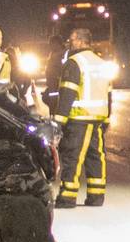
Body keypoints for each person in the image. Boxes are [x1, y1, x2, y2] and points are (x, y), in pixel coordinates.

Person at [53, 28, 113, 208]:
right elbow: (109, 94)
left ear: (81, 41)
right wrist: (107, 119)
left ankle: (67, 197)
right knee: (96, 157)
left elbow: (67, 94)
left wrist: (58, 122)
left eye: (72, 40)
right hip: (98, 120)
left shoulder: (74, 63)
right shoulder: (101, 63)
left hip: (79, 119)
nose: (69, 43)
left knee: (73, 157)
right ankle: (96, 196)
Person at [42, 35, 67, 115]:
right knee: (50, 101)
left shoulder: (64, 54)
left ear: (57, 43)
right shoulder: (53, 53)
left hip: (57, 84)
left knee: (55, 103)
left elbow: (64, 68)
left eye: (51, 44)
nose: (50, 46)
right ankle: (53, 116)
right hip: (52, 83)